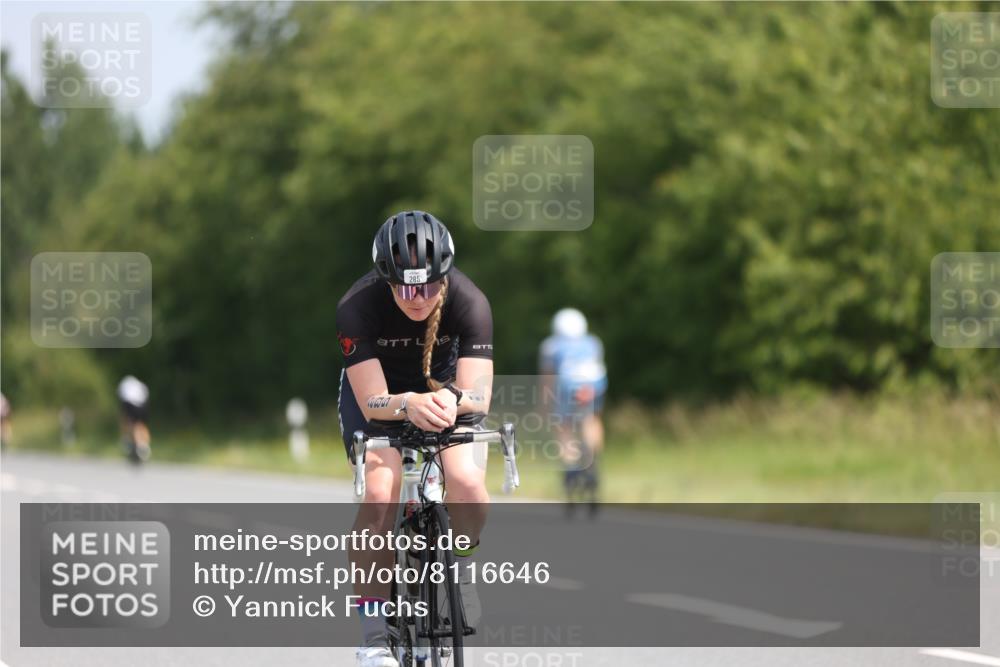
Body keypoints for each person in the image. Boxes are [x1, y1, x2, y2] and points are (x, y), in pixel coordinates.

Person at [337, 210, 494, 667]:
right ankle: (372, 636)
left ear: (444, 277)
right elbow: (372, 403)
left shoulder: (471, 302)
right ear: (385, 280)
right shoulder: (356, 307)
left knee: (466, 484)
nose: (417, 299)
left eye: (428, 287)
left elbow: (480, 393)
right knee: (380, 496)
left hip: (444, 394)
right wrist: (407, 403)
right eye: (405, 288)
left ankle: (461, 563)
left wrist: (453, 400)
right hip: (381, 402)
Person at [539, 308, 607, 516]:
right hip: (595, 382)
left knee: (563, 426)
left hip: (568, 384)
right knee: (591, 419)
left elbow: (548, 379)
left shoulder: (551, 346)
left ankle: (570, 467)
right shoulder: (593, 342)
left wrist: (545, 405)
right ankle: (592, 457)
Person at [117, 375, 151, 462]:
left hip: (130, 404)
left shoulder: (124, 385)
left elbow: (124, 413)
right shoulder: (139, 385)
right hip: (143, 405)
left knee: (131, 424)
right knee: (142, 425)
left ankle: (128, 441)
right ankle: (144, 445)